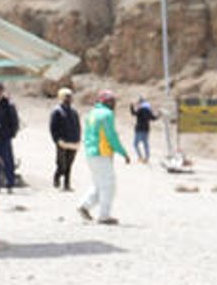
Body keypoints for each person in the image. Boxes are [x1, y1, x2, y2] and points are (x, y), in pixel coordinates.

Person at [77, 89, 132, 224]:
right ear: (105, 102)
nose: (113, 104)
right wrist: (123, 152)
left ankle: (84, 206)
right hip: (101, 153)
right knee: (108, 185)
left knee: (98, 185)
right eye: (111, 101)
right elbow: (111, 136)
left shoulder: (91, 114)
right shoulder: (107, 114)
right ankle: (104, 216)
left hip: (91, 154)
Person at [48, 86, 81, 192]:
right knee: (62, 164)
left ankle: (67, 184)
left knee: (69, 164)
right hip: (62, 142)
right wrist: (57, 140)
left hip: (73, 142)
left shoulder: (74, 112)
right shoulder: (57, 111)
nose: (69, 99)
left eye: (70, 97)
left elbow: (78, 126)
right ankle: (57, 176)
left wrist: (78, 139)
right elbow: (53, 128)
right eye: (67, 97)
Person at [0, 82, 21, 192]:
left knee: (8, 161)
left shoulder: (8, 104)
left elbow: (14, 120)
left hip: (4, 136)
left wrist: (12, 133)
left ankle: (10, 183)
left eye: (0, 90)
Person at [132, 96, 159, 163]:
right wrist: (159, 114)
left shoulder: (140, 109)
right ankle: (146, 158)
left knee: (135, 144)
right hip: (146, 129)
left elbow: (134, 113)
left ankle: (140, 157)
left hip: (139, 129)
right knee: (145, 144)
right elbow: (154, 118)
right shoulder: (148, 110)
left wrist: (131, 107)